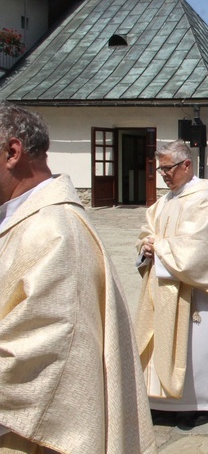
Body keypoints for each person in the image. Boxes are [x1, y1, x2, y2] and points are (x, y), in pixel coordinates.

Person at [0, 103, 155, 453]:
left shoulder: (54, 233)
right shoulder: (24, 220)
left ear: (13, 152)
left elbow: (42, 353)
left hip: (31, 436)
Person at [135, 140, 208, 422]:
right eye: (160, 168)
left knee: (199, 349)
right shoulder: (162, 203)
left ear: (186, 165)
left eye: (168, 168)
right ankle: (164, 401)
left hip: (200, 295)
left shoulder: (205, 200)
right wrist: (145, 247)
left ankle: (207, 402)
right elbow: (146, 233)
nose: (163, 174)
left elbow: (199, 248)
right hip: (165, 287)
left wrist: (159, 248)